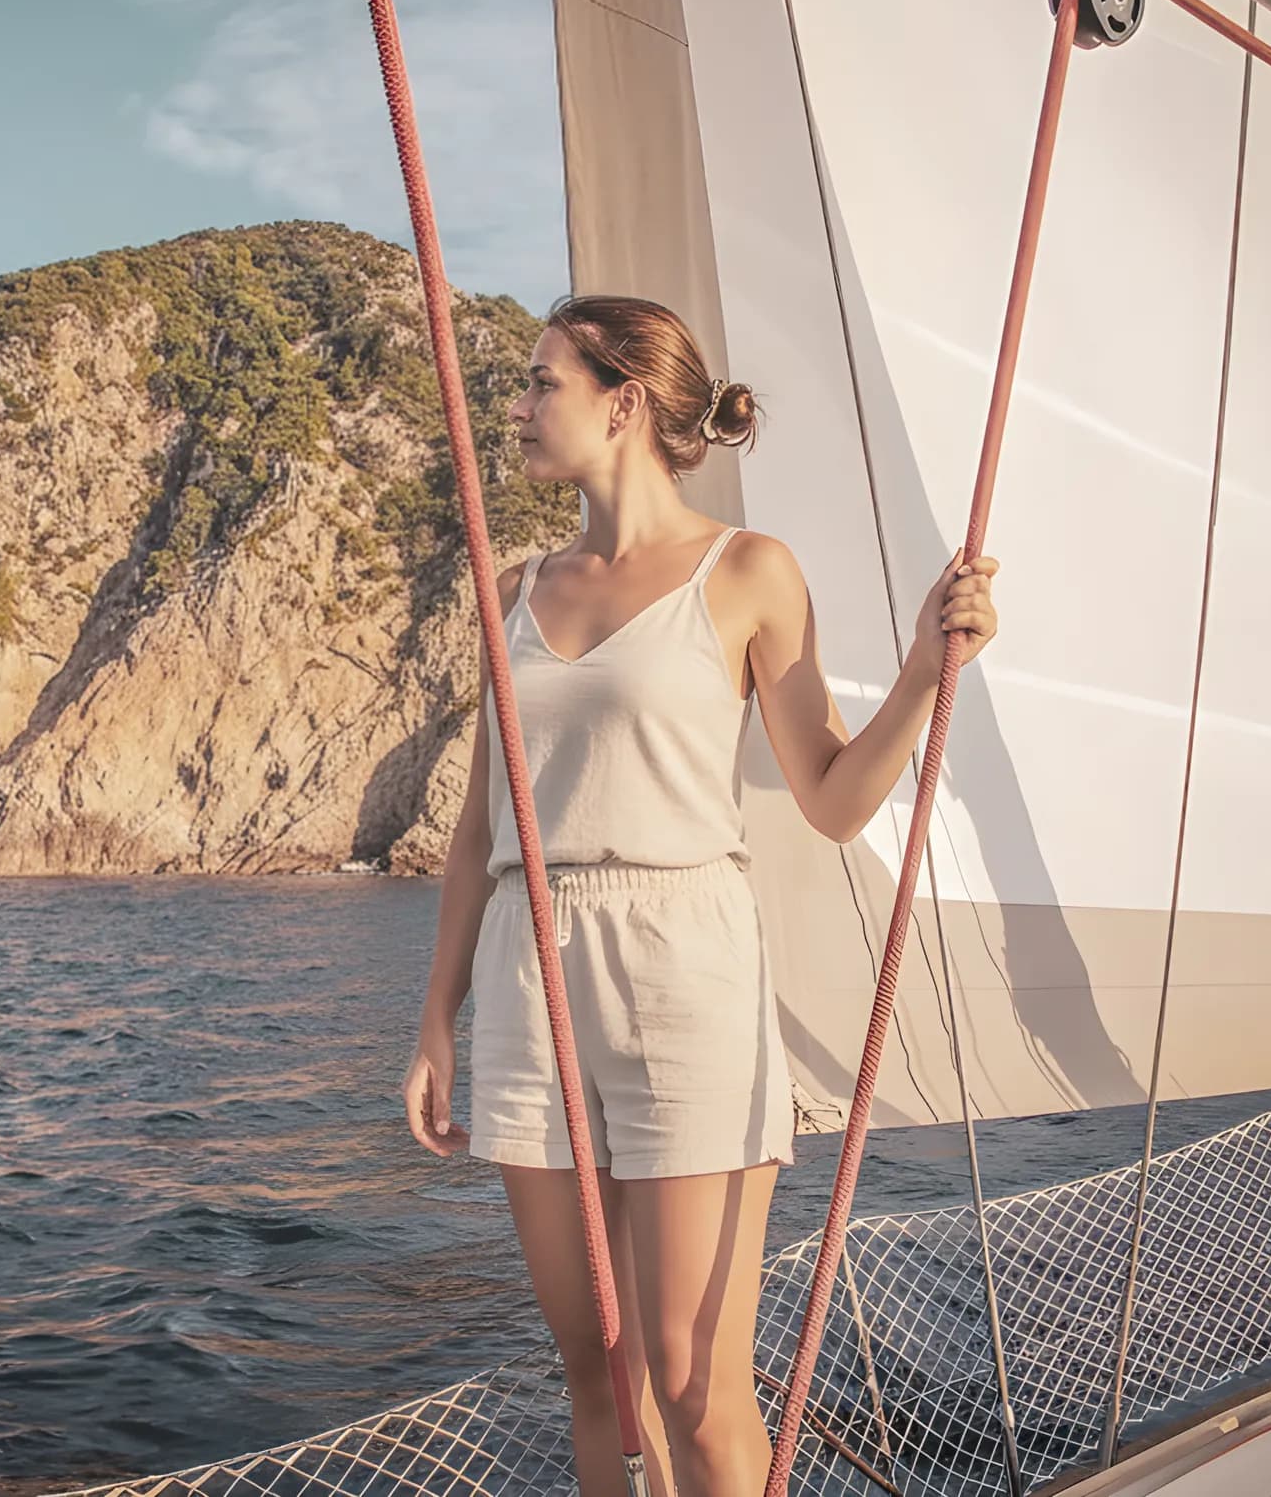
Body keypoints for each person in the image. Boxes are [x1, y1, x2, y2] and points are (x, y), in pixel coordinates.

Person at [400, 295, 998, 1497]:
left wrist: (926, 673)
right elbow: (476, 829)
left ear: (622, 401)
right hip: (528, 967)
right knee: (601, 1371)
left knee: (691, 1379)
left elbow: (831, 796)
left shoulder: (749, 573)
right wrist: (435, 1020)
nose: (515, 406)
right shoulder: (510, 589)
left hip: (683, 967)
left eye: (541, 381)